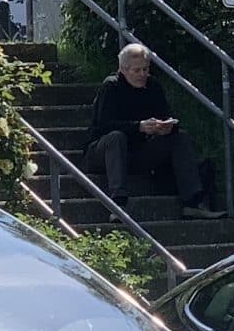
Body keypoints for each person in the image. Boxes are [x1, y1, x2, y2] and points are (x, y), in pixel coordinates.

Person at [86, 44, 223, 215]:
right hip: (105, 152)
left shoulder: (153, 86)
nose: (142, 75)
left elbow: (166, 116)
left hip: (139, 153)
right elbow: (103, 126)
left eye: (145, 69)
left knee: (180, 138)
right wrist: (139, 127)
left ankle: (193, 201)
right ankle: (118, 203)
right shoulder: (111, 87)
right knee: (116, 137)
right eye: (136, 71)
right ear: (123, 69)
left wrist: (166, 128)